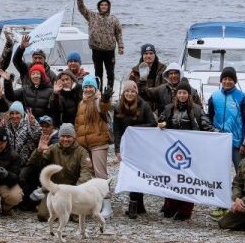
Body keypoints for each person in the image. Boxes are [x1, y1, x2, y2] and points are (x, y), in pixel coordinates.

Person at [157, 79, 212, 220]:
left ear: (189, 95)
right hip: (172, 149)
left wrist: (219, 134)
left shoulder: (197, 109)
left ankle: (186, 209)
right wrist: (161, 124)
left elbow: (206, 126)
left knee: (188, 178)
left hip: (191, 151)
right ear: (176, 95)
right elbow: (160, 122)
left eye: (185, 93)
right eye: (180, 93)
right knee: (171, 178)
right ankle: (171, 205)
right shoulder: (169, 108)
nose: (182, 95)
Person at [28, 123, 94, 221]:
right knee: (43, 215)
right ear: (59, 137)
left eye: (68, 136)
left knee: (77, 217)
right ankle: (61, 210)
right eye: (62, 136)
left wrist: (77, 191)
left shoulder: (82, 152)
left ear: (74, 138)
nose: (65, 139)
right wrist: (39, 151)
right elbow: (33, 162)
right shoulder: (53, 148)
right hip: (55, 189)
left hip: (73, 191)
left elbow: (86, 172)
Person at [112, 80, 156, 217]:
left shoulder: (144, 106)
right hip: (127, 146)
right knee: (130, 173)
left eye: (132, 91)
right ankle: (138, 204)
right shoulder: (118, 108)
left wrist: (135, 130)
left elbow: (153, 123)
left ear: (136, 93)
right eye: (127, 91)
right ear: (123, 93)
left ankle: (134, 204)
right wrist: (117, 149)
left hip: (142, 146)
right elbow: (117, 130)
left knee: (139, 173)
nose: (130, 94)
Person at [75, 0, 124, 89]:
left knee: (110, 73)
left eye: (106, 5)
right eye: (102, 4)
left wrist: (121, 47)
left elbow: (118, 33)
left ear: (109, 6)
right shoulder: (92, 16)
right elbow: (82, 9)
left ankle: (109, 91)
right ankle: (98, 91)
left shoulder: (114, 19)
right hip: (96, 49)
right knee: (98, 72)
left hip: (110, 50)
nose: (104, 6)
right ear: (99, 6)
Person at [207, 67, 245, 171]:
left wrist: (244, 143)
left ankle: (239, 188)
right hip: (218, 141)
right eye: (225, 79)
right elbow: (209, 117)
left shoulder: (243, 98)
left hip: (236, 143)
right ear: (221, 80)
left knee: (241, 171)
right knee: (217, 170)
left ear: (235, 81)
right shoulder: (214, 96)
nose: (227, 81)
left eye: (230, 79)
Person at [74, 77, 113, 181]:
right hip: (84, 145)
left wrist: (105, 100)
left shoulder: (99, 100)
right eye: (85, 87)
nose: (88, 89)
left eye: (91, 86)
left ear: (95, 88)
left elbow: (105, 108)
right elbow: (78, 124)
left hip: (98, 143)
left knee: (100, 174)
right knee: (90, 173)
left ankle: (105, 195)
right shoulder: (81, 103)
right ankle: (94, 196)